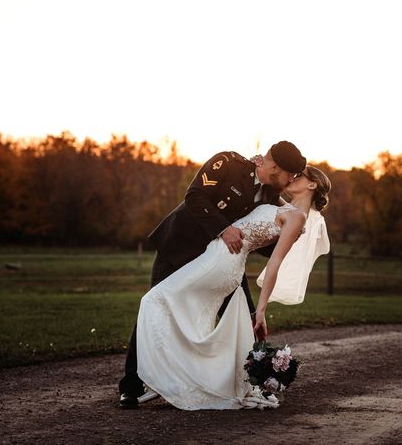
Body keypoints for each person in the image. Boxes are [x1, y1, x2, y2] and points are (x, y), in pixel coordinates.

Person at [119, 142, 307, 408]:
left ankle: (257, 382)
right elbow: (194, 196)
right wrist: (223, 228)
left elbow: (255, 240)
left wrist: (289, 238)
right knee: (156, 303)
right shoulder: (227, 163)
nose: (291, 181)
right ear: (275, 167)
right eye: (291, 174)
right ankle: (131, 386)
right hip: (181, 247)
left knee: (247, 317)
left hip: (223, 261)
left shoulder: (269, 194)